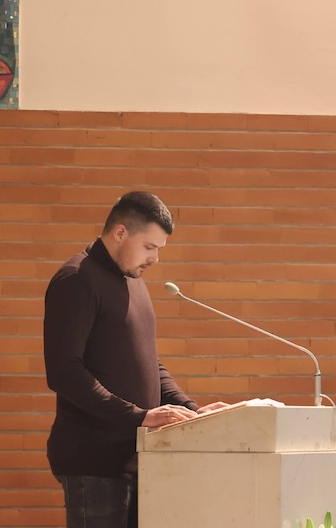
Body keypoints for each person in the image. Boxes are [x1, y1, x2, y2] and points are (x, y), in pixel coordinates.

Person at [43, 191, 226, 527]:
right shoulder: (77, 280)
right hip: (94, 462)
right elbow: (64, 372)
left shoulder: (132, 280)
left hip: (139, 459)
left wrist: (191, 411)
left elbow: (149, 363)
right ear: (120, 232)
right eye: (149, 247)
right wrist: (139, 416)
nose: (154, 258)